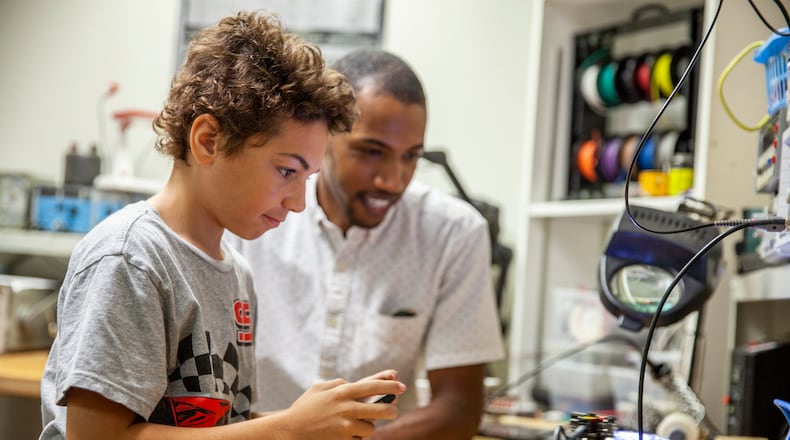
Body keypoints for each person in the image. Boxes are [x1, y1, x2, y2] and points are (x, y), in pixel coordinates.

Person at [39, 12, 405, 440]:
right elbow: (97, 437)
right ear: (208, 140)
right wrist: (286, 430)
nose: (299, 203)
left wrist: (310, 427)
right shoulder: (131, 260)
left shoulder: (235, 273)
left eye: (308, 179)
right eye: (288, 171)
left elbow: (221, 427)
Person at [228, 48, 506, 439]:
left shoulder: (453, 234)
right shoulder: (253, 219)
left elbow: (458, 409)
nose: (392, 180)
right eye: (372, 152)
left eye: (411, 157)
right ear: (325, 136)